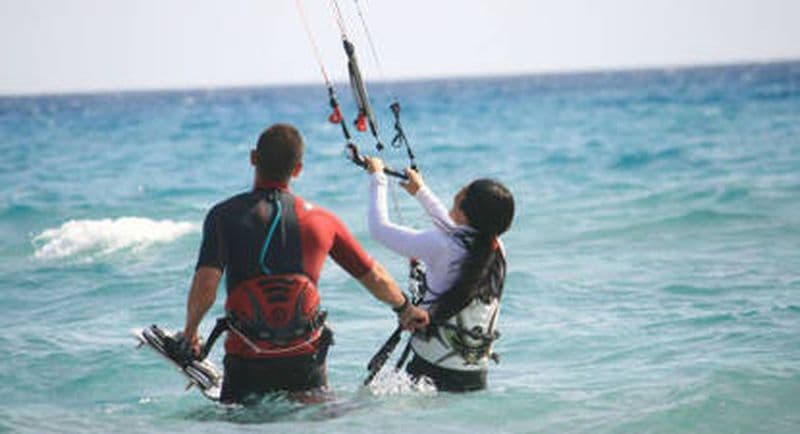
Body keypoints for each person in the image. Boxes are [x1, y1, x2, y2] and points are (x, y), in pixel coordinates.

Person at [181, 124, 429, 404]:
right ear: (298, 169)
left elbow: (206, 285)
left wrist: (190, 334)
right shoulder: (323, 221)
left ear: (253, 158)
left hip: (246, 362)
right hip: (305, 362)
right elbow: (374, 277)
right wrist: (405, 308)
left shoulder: (223, 216)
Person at [364, 157, 514, 392]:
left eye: (465, 191)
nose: (460, 191)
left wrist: (377, 178)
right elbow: (455, 229)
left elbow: (378, 229)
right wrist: (420, 191)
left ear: (467, 209)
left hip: (430, 375)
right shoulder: (496, 249)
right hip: (475, 378)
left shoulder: (442, 245)